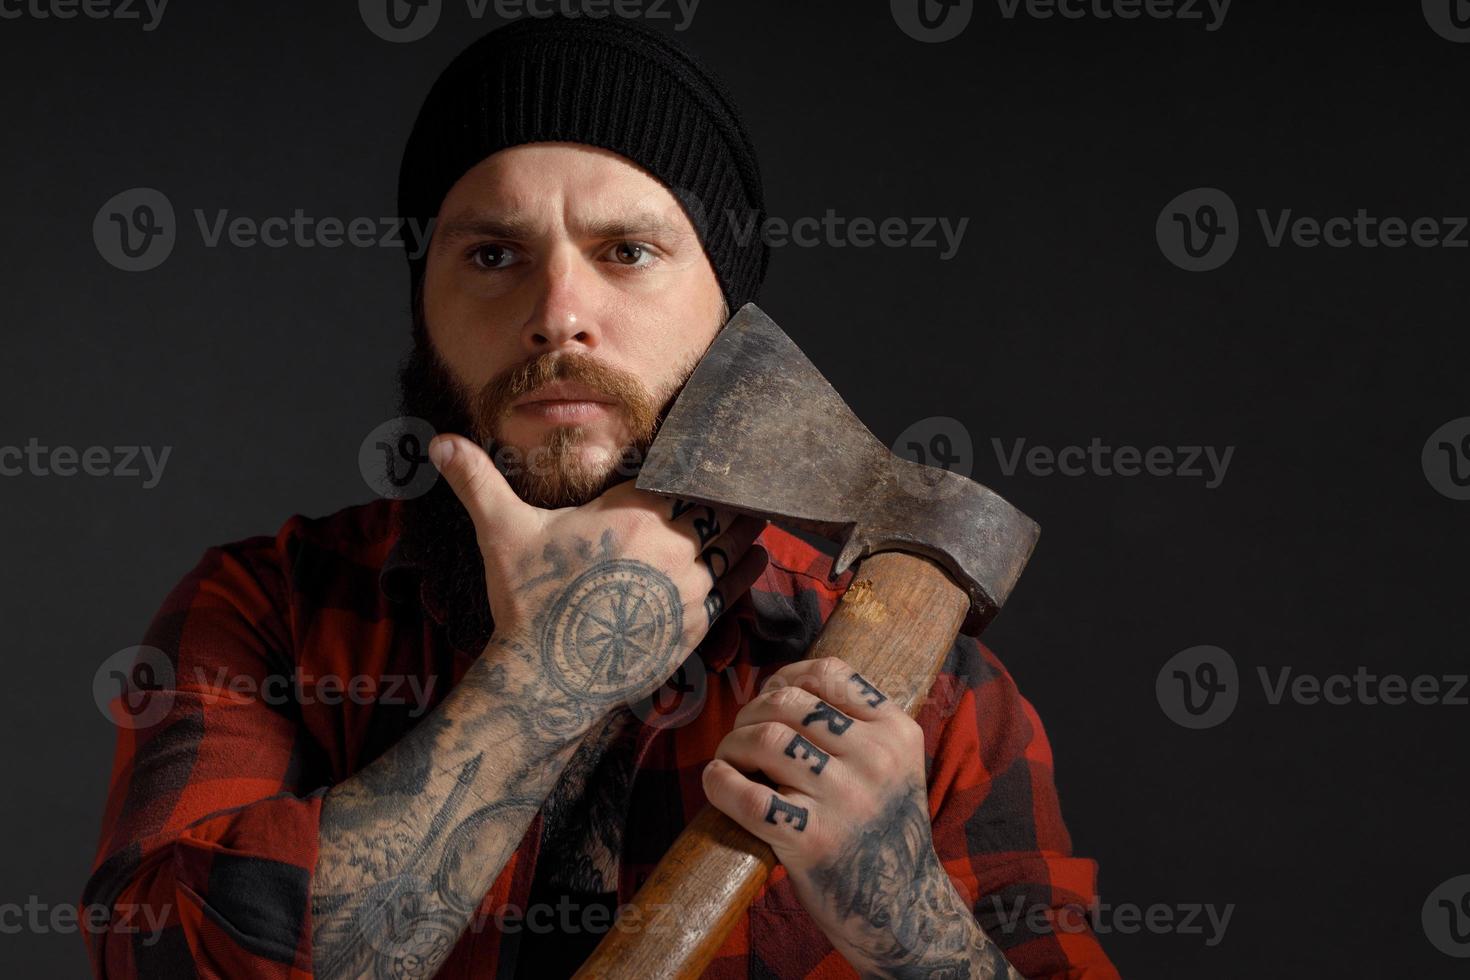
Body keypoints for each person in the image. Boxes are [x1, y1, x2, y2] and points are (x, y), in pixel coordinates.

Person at [81, 15, 1118, 979]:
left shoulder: (927, 696)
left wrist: (910, 918)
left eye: (628, 252)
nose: (558, 313)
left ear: (731, 311)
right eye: (493, 254)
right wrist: (544, 680)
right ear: (424, 309)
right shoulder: (274, 610)